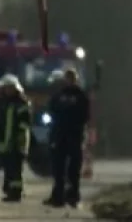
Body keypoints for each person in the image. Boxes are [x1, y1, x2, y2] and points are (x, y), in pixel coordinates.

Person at [45, 68, 91, 208]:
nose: (69, 81)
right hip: (59, 136)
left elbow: (85, 116)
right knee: (58, 169)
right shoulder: (58, 96)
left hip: (75, 136)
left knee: (74, 169)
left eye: (71, 78)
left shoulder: (81, 96)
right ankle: (57, 196)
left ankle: (73, 196)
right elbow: (51, 111)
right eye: (67, 78)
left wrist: (77, 127)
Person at [0, 73, 32, 203]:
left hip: (17, 142)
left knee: (15, 168)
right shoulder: (2, 102)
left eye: (9, 87)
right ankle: (9, 190)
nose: (7, 90)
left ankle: (15, 193)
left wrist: (17, 137)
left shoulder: (22, 103)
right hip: (4, 141)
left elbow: (24, 122)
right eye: (5, 87)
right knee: (8, 167)